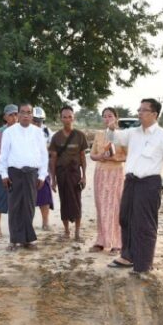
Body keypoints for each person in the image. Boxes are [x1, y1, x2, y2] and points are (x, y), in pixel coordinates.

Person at [106, 98, 163, 277]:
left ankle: (143, 264)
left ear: (154, 114)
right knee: (126, 218)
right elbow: (113, 137)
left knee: (144, 224)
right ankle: (127, 256)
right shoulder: (133, 133)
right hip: (131, 182)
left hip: (149, 184)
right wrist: (111, 126)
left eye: (144, 110)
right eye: (139, 109)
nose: (139, 112)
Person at [0, 103, 48, 250]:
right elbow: (3, 155)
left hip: (32, 174)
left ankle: (27, 240)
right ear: (18, 115)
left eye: (29, 112)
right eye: (23, 112)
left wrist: (42, 175)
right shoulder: (9, 132)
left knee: (29, 207)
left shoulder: (38, 132)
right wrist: (4, 174)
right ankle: (14, 241)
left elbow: (44, 155)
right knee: (14, 207)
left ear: (32, 115)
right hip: (14, 173)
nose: (26, 115)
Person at [89, 107, 126, 254]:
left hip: (116, 173)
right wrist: (100, 157)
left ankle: (117, 243)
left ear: (116, 118)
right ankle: (101, 241)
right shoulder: (99, 135)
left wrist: (114, 157)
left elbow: (127, 156)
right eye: (104, 116)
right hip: (100, 174)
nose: (107, 119)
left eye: (110, 116)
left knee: (116, 207)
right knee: (101, 208)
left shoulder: (122, 136)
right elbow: (92, 155)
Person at [49, 106, 89, 241]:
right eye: (64, 117)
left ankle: (77, 232)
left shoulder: (80, 135)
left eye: (69, 116)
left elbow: (83, 157)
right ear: (60, 118)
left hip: (75, 174)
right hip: (61, 174)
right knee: (64, 201)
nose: (67, 119)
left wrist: (84, 176)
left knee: (77, 202)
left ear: (74, 118)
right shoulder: (56, 137)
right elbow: (53, 159)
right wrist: (53, 179)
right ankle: (66, 231)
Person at [0, 104, 19, 239]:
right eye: (11, 115)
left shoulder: (22, 132)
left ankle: (16, 228)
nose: (14, 117)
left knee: (17, 199)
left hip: (16, 169)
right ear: (5, 117)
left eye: (16, 114)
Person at [32, 106, 54, 231]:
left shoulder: (47, 131)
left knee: (44, 197)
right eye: (35, 120)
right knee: (28, 198)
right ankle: (27, 223)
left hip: (42, 169)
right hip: (27, 169)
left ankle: (45, 222)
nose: (37, 122)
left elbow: (52, 149)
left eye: (39, 120)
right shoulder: (24, 130)